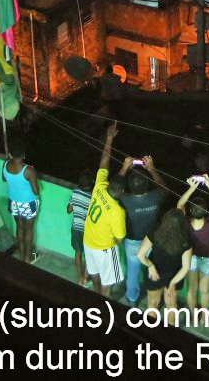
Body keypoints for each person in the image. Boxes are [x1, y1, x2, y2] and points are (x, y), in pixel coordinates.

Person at [83, 121, 127, 296]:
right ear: (123, 192)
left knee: (94, 275)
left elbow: (104, 163)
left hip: (88, 241)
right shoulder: (117, 211)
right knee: (107, 285)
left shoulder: (100, 187)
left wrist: (109, 138)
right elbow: (120, 239)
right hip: (104, 249)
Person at [119, 154, 165, 306]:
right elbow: (163, 187)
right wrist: (152, 170)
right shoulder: (156, 196)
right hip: (152, 241)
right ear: (148, 184)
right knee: (153, 269)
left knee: (132, 273)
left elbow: (113, 188)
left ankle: (132, 299)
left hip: (132, 242)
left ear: (129, 188)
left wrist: (124, 168)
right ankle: (154, 298)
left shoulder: (124, 199)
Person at [177, 173, 209, 314]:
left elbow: (180, 204)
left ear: (190, 211)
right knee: (206, 292)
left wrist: (191, 188)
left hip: (191, 258)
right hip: (207, 258)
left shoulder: (186, 222)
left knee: (191, 290)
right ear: (206, 211)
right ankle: (203, 319)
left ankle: (194, 316)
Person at [137, 210, 192, 313]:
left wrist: (151, 266)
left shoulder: (155, 231)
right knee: (172, 305)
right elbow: (186, 267)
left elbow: (140, 255)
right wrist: (173, 283)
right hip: (174, 275)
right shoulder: (186, 239)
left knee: (152, 304)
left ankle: (150, 328)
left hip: (155, 274)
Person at [2, 140, 40, 264]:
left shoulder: (6, 165)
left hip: (13, 201)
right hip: (28, 203)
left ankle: (21, 253)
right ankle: (27, 258)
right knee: (28, 229)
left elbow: (4, 178)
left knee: (19, 227)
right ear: (24, 155)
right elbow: (36, 192)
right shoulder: (29, 170)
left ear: (10, 155)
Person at [66, 170, 93, 287]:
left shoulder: (75, 192)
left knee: (78, 253)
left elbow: (69, 210)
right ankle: (86, 278)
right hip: (87, 230)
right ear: (91, 183)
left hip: (75, 228)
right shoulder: (93, 196)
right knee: (88, 255)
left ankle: (80, 278)